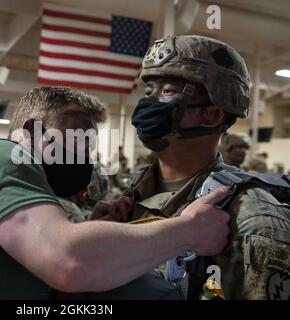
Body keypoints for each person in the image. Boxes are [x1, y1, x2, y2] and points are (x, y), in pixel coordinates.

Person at [0, 86, 230, 299]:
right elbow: (69, 264)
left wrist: (87, 228)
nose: (84, 149)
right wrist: (188, 230)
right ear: (33, 130)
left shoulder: (39, 185)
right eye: (76, 133)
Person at [124, 35, 289, 299]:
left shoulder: (251, 220)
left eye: (168, 92)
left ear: (212, 115)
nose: (148, 104)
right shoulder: (129, 199)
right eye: (149, 91)